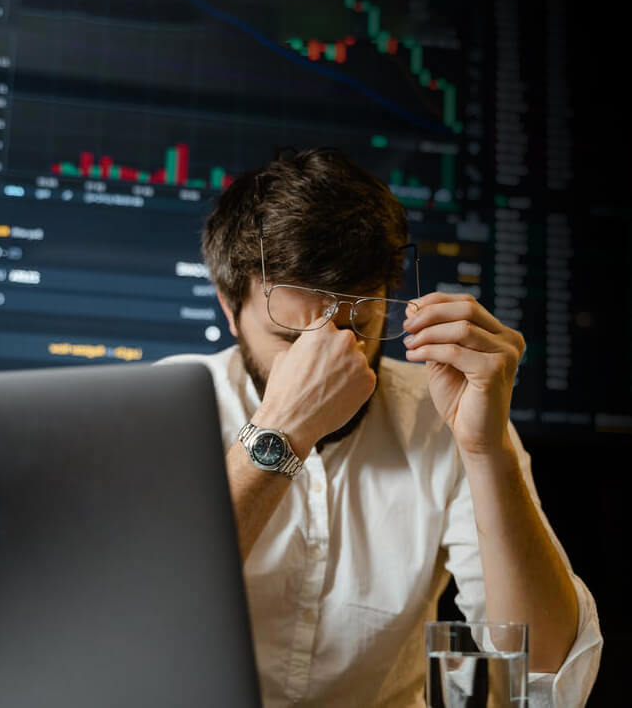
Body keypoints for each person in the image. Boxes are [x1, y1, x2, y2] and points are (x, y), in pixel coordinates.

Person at [160, 148, 602, 706]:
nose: (330, 366)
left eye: (359, 326)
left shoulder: (449, 413)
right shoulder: (166, 413)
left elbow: (546, 673)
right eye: (293, 341)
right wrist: (282, 431)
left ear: (387, 302)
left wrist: (486, 449)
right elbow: (136, 617)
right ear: (229, 308)